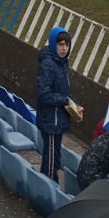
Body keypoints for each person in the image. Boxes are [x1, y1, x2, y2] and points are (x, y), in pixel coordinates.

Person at [35, 26, 78, 181]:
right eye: (60, 44)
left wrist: (73, 103)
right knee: (52, 160)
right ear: (54, 44)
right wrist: (65, 101)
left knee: (52, 156)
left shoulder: (62, 63)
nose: (64, 48)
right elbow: (43, 94)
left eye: (66, 45)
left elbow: (63, 91)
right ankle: (49, 189)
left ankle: (45, 187)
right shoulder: (48, 64)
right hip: (51, 121)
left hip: (57, 119)